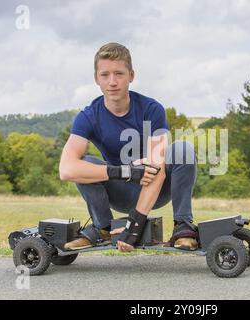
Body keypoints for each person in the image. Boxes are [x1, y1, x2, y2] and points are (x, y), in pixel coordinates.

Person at [59, 42, 198, 252]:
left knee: (182, 150)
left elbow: (157, 171)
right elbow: (66, 169)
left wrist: (134, 226)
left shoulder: (152, 109)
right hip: (119, 191)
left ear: (131, 75)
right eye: (105, 75)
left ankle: (183, 226)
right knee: (84, 163)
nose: (112, 82)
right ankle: (102, 228)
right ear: (96, 78)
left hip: (156, 189)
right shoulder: (88, 116)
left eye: (119, 74)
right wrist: (127, 172)